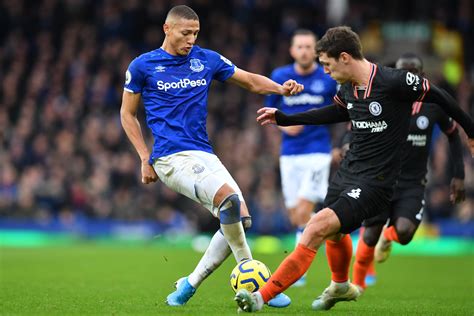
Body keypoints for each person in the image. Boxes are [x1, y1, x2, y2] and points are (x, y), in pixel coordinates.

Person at [234, 26, 474, 313]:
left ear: (344, 57)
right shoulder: (347, 86)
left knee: (315, 227)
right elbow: (336, 112)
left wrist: (470, 132)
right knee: (335, 234)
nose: (324, 71)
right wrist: (286, 119)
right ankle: (340, 285)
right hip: (347, 173)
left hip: (376, 182)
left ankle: (260, 297)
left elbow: (441, 96)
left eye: (327, 64)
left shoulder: (394, 81)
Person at [120, 5, 303, 308]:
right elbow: (127, 114)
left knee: (240, 218)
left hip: (204, 153)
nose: (191, 39)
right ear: (167, 29)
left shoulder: (206, 59)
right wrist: (144, 156)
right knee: (228, 201)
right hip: (169, 157)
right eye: (185, 33)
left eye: (195, 33)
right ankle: (260, 287)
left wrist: (280, 90)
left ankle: (188, 285)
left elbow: (250, 81)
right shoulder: (143, 66)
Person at [352, 53, 466, 290]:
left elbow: (454, 134)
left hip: (413, 183)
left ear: (421, 76)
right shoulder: (382, 99)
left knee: (404, 233)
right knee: (369, 235)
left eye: (413, 72)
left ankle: (389, 237)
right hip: (381, 179)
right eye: (403, 72)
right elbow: (358, 124)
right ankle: (358, 284)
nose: (407, 77)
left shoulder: (434, 106)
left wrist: (459, 174)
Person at [264, 29, 338, 287]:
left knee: (305, 209)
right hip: (290, 155)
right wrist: (285, 126)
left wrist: (339, 146)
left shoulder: (327, 79)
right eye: (300, 47)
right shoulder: (280, 77)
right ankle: (325, 233)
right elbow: (269, 111)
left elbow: (343, 111)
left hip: (318, 152)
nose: (305, 51)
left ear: (315, 51)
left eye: (309, 47)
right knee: (297, 216)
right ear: (292, 50)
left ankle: (298, 270)